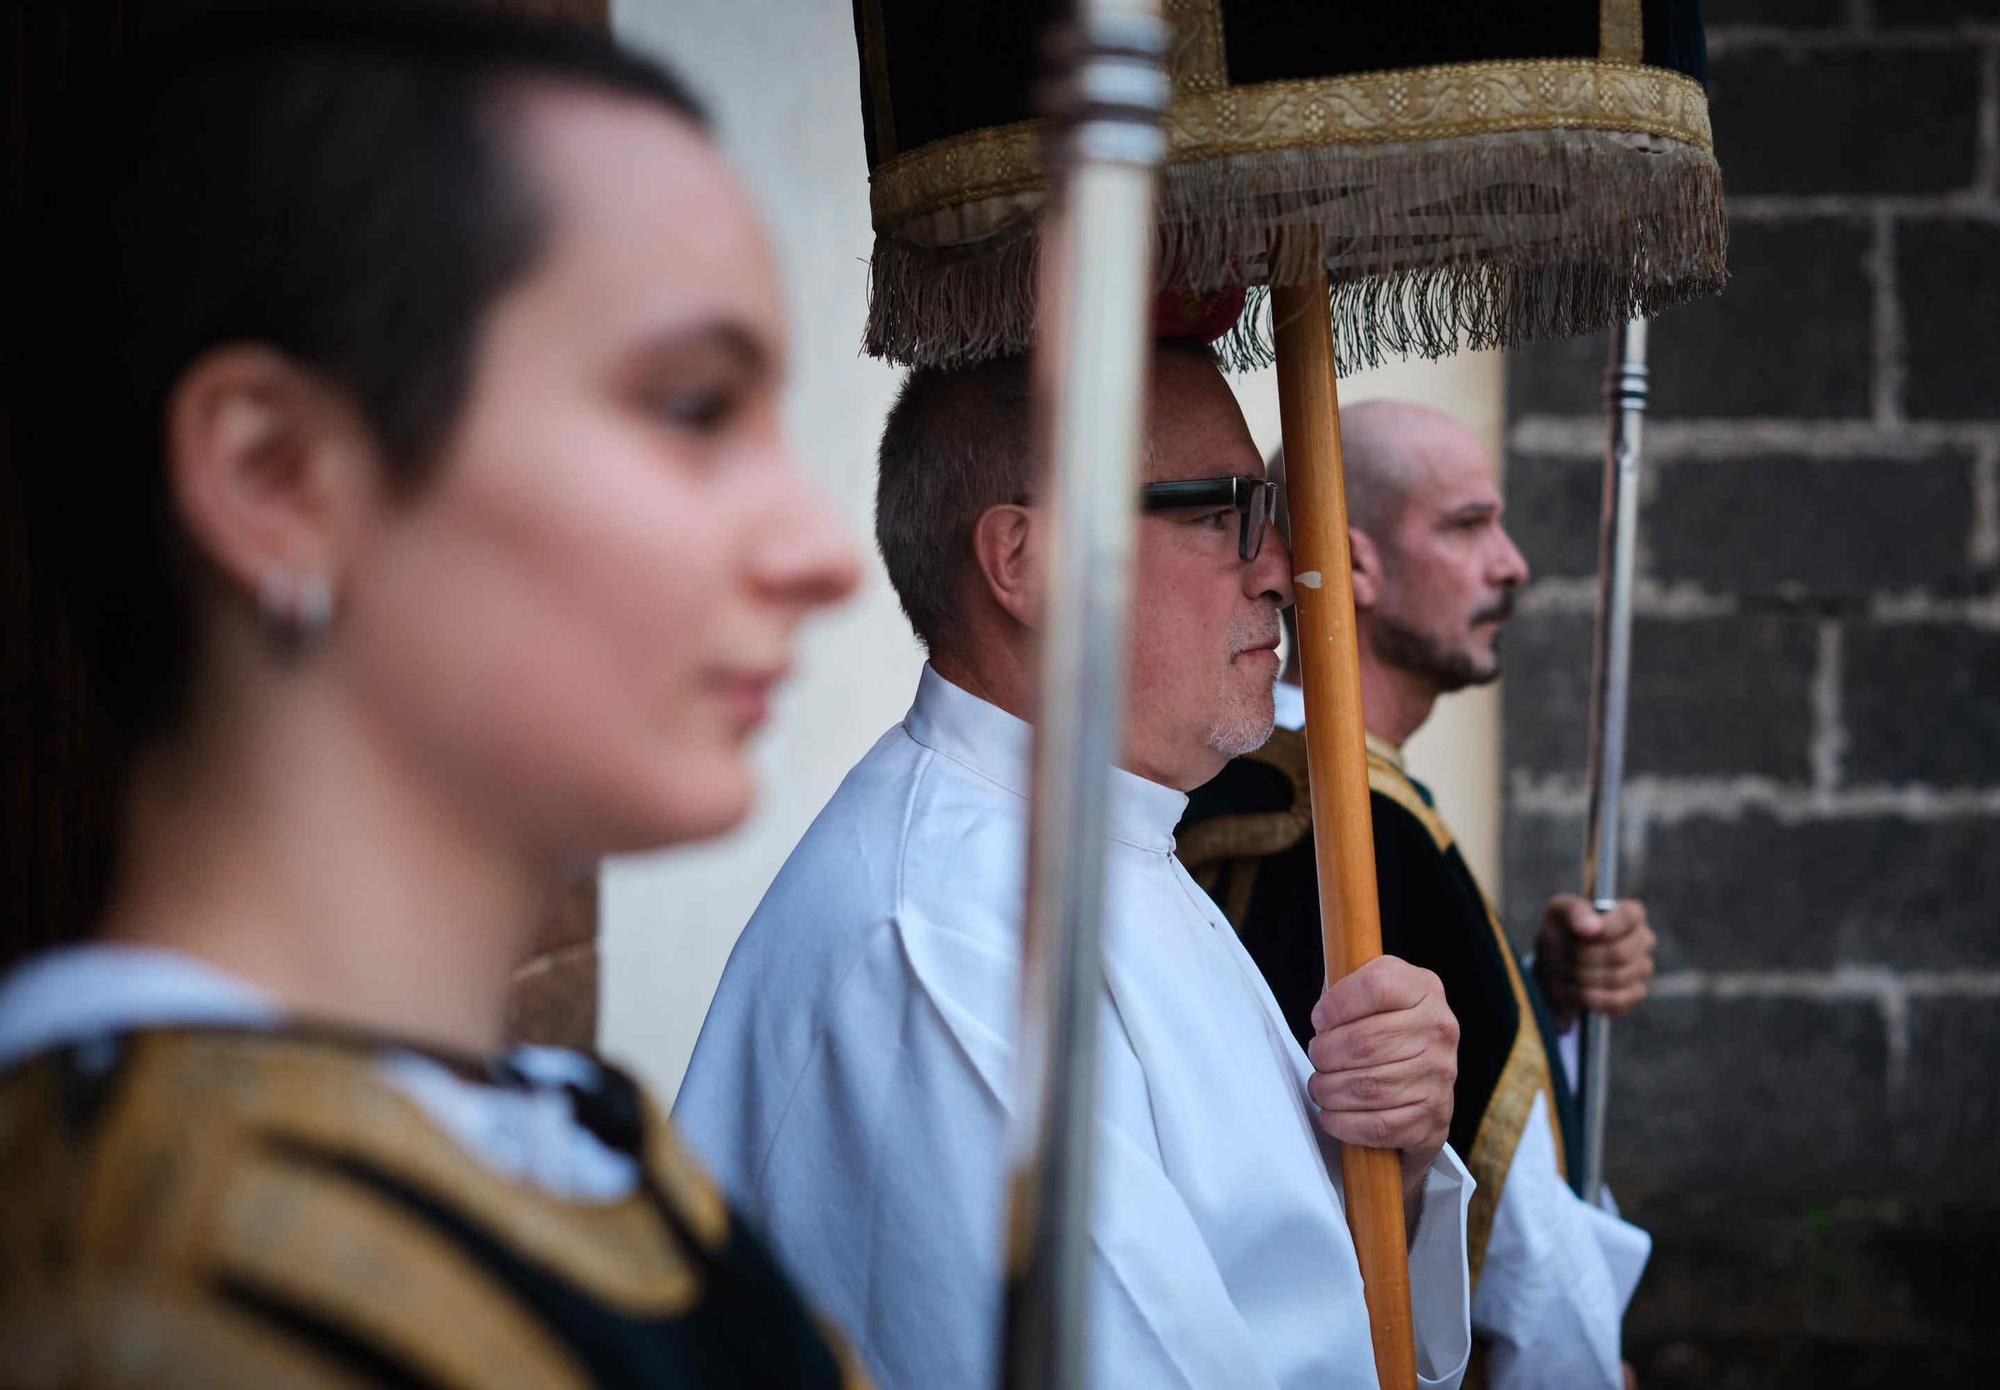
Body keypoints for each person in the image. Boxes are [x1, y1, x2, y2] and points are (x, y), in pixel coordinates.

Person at [0, 6, 868, 1385]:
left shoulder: (584, 1141)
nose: (824, 552)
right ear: (279, 475)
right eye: (694, 407)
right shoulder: (145, 1286)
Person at [676, 345, 1475, 1390]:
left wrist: (1394, 1162)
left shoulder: (1104, 837)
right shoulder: (950, 942)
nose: (1280, 566)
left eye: (1269, 507)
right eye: (1220, 510)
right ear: (1026, 561)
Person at [1177, 401, 1657, 1390]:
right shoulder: (1363, 828)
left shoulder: (1229, 788)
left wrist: (1537, 994)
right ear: (1351, 564)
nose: (1510, 563)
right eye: (1466, 525)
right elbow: (1529, 1260)